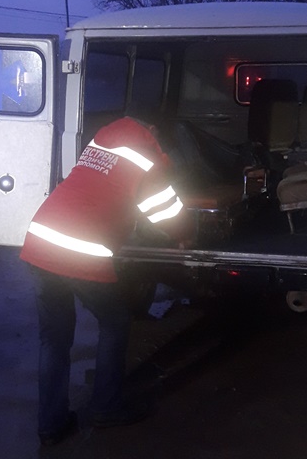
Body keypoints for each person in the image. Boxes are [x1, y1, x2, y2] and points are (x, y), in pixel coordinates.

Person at [20, 115, 187, 446]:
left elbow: (101, 190)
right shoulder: (148, 158)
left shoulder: (100, 143)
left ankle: (51, 425)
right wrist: (186, 234)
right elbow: (166, 212)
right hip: (79, 252)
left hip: (40, 242)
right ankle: (106, 407)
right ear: (153, 131)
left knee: (54, 338)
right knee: (115, 320)